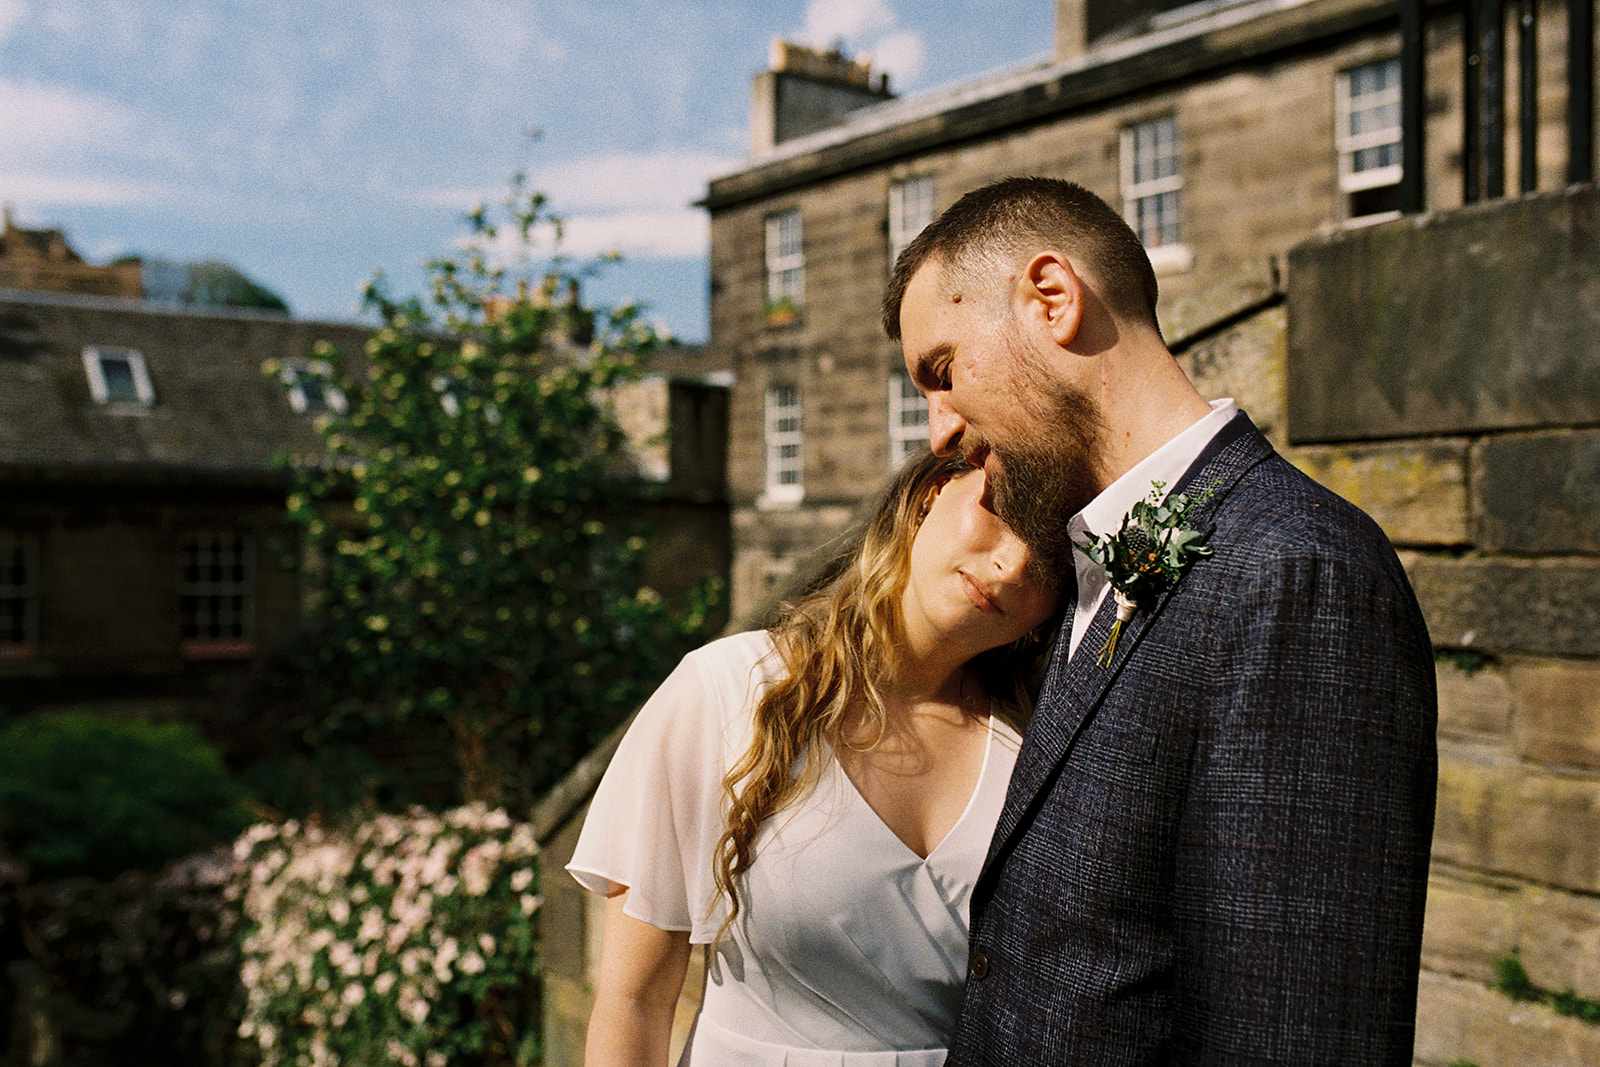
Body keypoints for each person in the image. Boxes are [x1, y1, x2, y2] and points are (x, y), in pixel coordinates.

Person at [883, 176, 1437, 1065]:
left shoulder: (1299, 573)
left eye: (943, 372)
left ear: (1052, 298)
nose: (941, 430)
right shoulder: (1090, 566)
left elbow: (1297, 1034)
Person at [568, 449, 1061, 1066]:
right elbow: (632, 1005)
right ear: (933, 491)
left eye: (1050, 554)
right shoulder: (725, 692)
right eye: (1002, 510)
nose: (1012, 564)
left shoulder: (1042, 752)